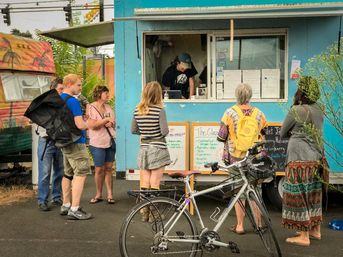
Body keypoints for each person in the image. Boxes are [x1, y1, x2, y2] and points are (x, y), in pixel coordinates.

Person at [217, 83, 267, 234]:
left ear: (237, 96)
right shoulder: (259, 113)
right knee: (255, 190)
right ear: (250, 96)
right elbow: (264, 134)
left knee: (238, 191)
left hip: (235, 158)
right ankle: (258, 224)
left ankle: (240, 225)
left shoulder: (229, 113)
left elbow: (221, 136)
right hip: (254, 157)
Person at [280, 76, 323, 247]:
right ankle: (315, 230)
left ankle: (304, 236)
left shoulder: (297, 110)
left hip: (298, 157)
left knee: (298, 195)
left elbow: (283, 132)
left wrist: (294, 104)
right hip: (316, 157)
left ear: (301, 91)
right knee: (313, 194)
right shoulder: (320, 108)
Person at [131, 81, 172, 221]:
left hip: (144, 149)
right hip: (158, 148)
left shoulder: (137, 110)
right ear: (158, 95)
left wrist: (145, 133)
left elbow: (133, 130)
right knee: (155, 183)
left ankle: (144, 212)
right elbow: (164, 131)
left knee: (144, 182)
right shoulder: (160, 111)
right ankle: (154, 214)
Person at [59, 74, 92, 220]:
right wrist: (87, 124)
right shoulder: (73, 101)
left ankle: (65, 204)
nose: (80, 88)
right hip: (76, 142)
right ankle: (75, 208)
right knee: (81, 172)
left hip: (64, 141)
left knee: (68, 173)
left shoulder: (59, 99)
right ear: (69, 84)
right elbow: (79, 124)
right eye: (78, 85)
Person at [36, 78, 64, 211]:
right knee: (45, 172)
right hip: (46, 141)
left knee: (59, 171)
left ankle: (57, 197)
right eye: (60, 89)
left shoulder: (62, 104)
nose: (62, 92)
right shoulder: (43, 104)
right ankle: (42, 200)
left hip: (59, 141)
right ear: (53, 89)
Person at [88, 85, 116, 204]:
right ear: (99, 94)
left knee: (109, 168)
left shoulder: (109, 108)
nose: (108, 95)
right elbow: (92, 125)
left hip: (110, 141)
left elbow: (113, 122)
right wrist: (105, 121)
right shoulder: (91, 107)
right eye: (106, 93)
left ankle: (110, 194)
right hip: (97, 142)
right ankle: (98, 194)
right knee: (99, 169)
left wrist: (112, 124)